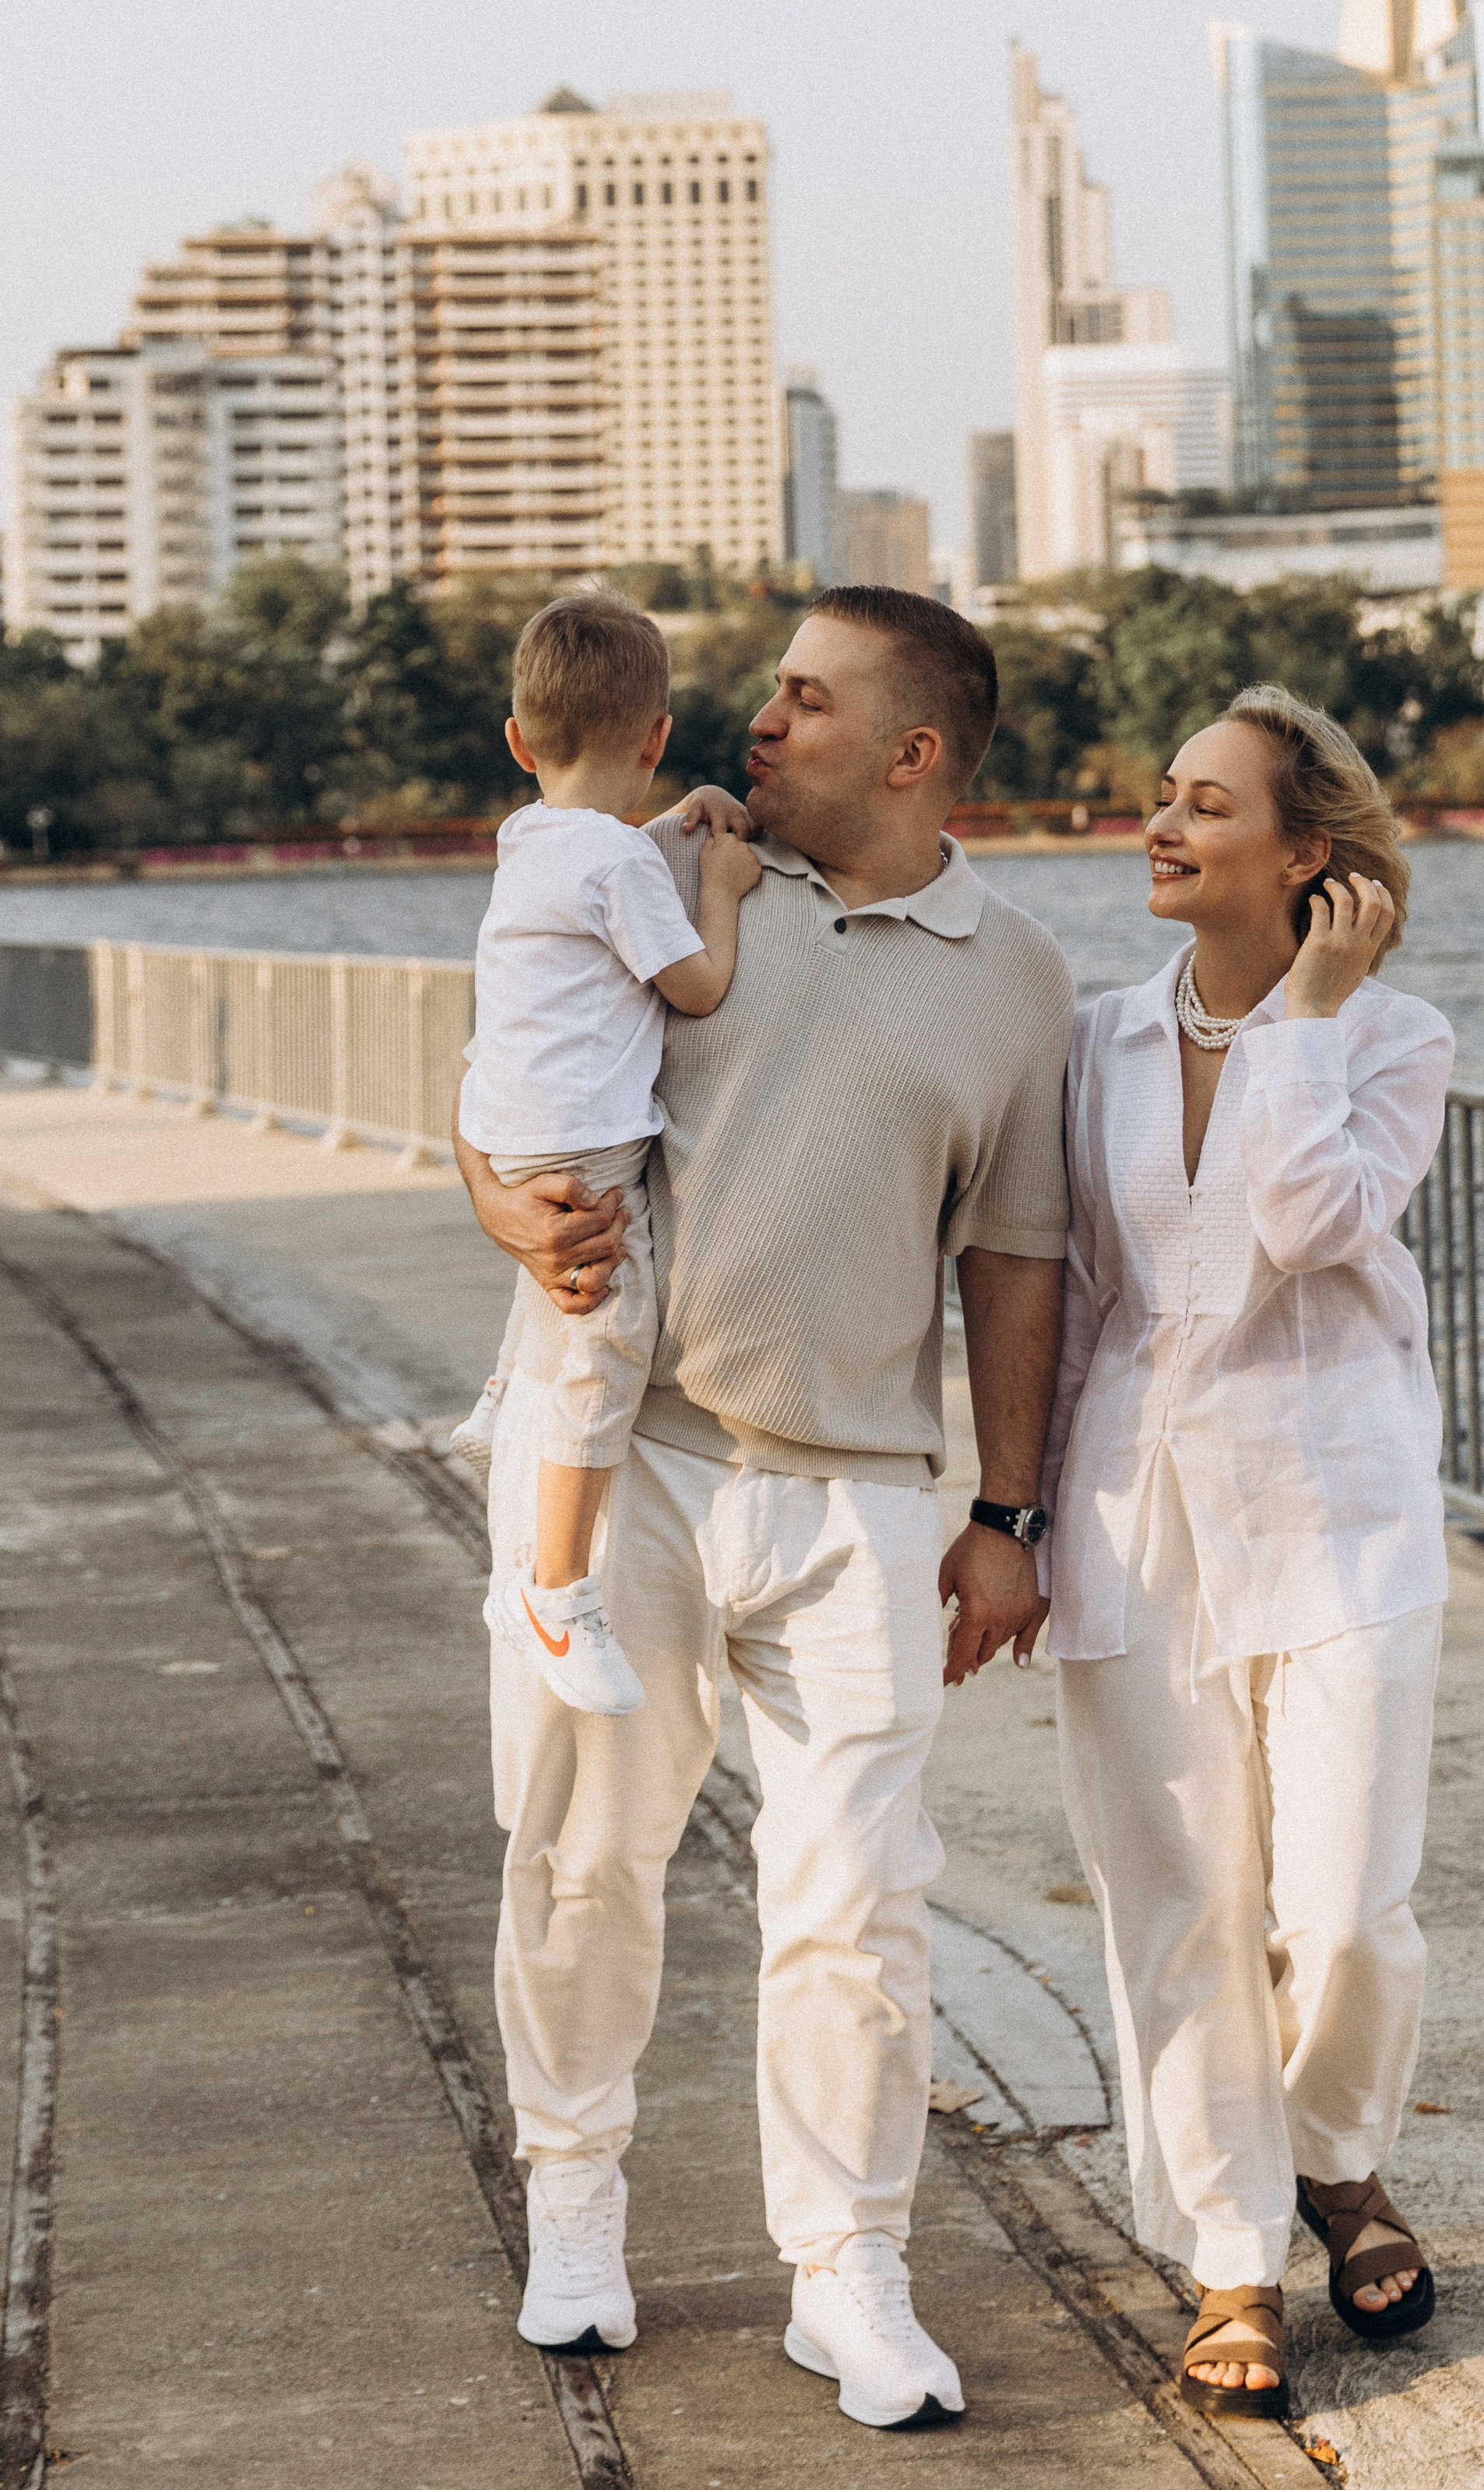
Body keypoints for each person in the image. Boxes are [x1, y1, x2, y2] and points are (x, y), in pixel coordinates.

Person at [454, 585, 1071, 2430]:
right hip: (619, 1458)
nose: (757, 721)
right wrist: (499, 1208)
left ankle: (847, 2271)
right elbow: (510, 1078)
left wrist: (1009, 1513)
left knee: (856, 1902)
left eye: (803, 700)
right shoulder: (649, 860)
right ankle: (576, 2212)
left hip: (859, 1496)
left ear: (914, 752)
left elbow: (1019, 1263)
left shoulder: (1018, 977)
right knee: (576, 1860)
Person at [1041, 683, 1454, 2421]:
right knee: (1183, 1909)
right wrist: (1011, 1523)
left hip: (1338, 1512)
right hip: (1138, 1518)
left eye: (1205, 806)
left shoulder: (1389, 1037)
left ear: (1306, 854)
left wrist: (1305, 1011)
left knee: (1345, 1908)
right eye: (1162, 794)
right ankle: (1233, 2253)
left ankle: (1338, 2154)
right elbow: (1068, 1304)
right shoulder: (1090, 1045)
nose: (1160, 824)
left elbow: (1305, 1225)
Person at [452, 595, 763, 1714]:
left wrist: (678, 818)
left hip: (510, 1115)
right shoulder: (621, 867)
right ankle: (554, 1587)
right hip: (588, 1130)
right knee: (612, 1333)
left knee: (556, 1278)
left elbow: (609, 852)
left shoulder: (529, 840)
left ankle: (501, 1395)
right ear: (659, 735)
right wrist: (718, 891)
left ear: (520, 743)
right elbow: (698, 986)